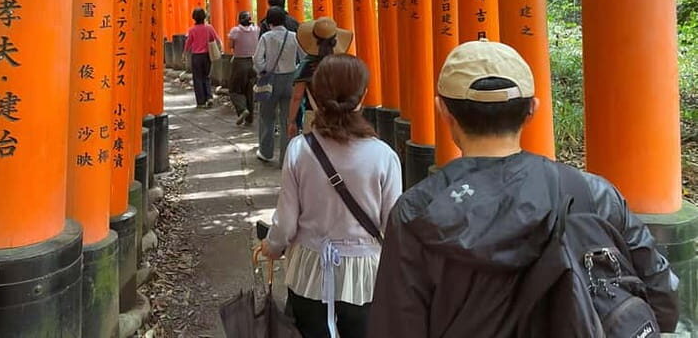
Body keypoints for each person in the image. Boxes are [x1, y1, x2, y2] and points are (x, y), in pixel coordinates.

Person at [367, 40, 680, 337]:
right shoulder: (591, 193)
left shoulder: (417, 212)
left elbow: (396, 326)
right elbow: (662, 296)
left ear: (443, 110)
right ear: (533, 109)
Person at [261, 54, 402, 338]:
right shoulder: (384, 155)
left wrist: (272, 247)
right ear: (362, 96)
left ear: (314, 96)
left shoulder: (300, 150)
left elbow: (286, 223)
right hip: (365, 276)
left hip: (309, 271)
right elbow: (393, 227)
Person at [287, 17, 354, 138]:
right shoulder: (344, 63)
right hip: (341, 117)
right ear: (336, 39)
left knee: (314, 152)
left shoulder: (308, 65)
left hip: (314, 116)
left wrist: (291, 121)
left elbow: (297, 97)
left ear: (313, 39)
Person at [253, 7, 300, 166]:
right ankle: (286, 157)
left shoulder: (266, 37)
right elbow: (303, 57)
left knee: (266, 116)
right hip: (290, 79)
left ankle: (266, 152)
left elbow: (257, 59)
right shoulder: (294, 36)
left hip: (271, 80)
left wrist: (264, 70)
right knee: (288, 119)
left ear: (269, 21)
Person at [183, 7, 222, 109]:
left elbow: (188, 43)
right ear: (204, 17)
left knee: (197, 79)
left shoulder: (192, 30)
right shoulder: (209, 28)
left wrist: (184, 53)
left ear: (194, 18)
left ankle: (200, 102)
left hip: (196, 56)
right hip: (206, 56)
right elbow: (217, 39)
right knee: (206, 77)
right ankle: (209, 97)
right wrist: (220, 48)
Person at [228, 10, 258, 125]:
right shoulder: (256, 30)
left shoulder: (235, 31)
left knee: (234, 90)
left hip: (239, 62)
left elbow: (231, 45)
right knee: (249, 90)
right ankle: (249, 119)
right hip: (253, 62)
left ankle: (242, 109)